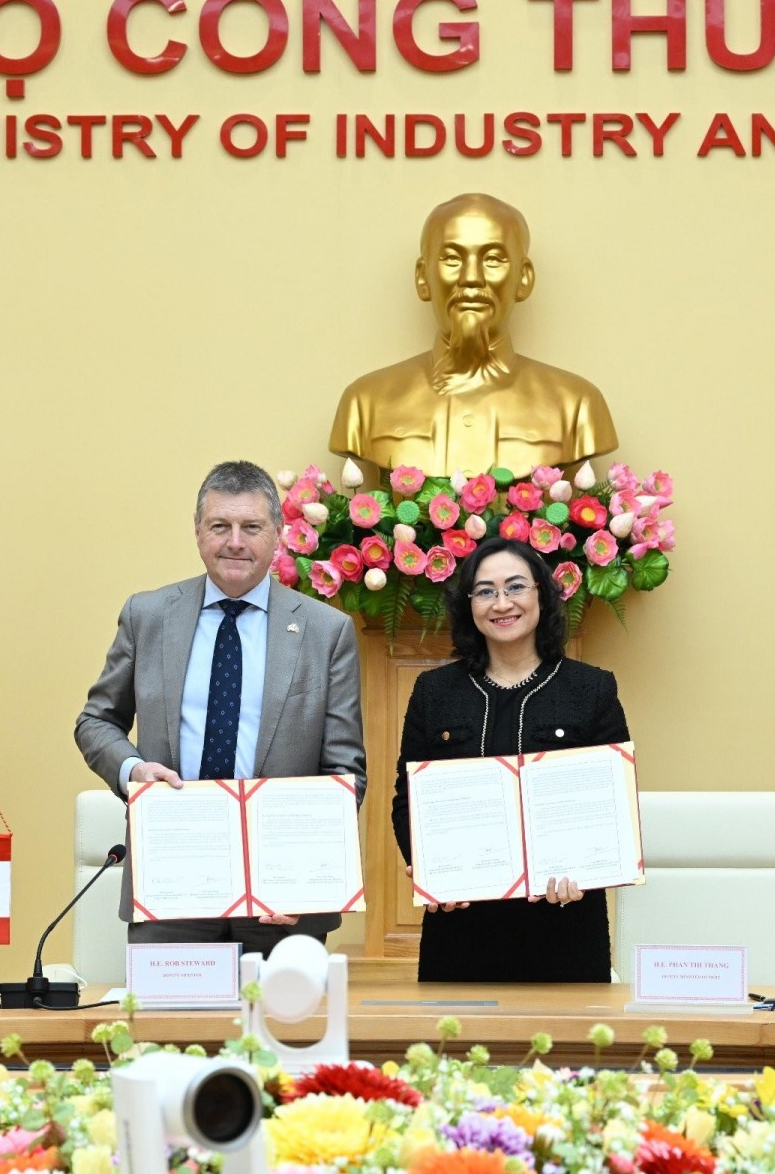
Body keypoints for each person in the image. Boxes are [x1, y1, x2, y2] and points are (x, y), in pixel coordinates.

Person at [75, 460, 366, 949]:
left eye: (251, 527)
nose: (235, 541)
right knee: (168, 1028)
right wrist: (132, 771)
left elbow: (345, 770)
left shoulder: (324, 631)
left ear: (277, 535)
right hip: (171, 879)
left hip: (282, 897)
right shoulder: (147, 615)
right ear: (197, 533)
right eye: (220, 526)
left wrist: (306, 875)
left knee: (283, 1027)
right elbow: (96, 721)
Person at [391, 537, 629, 982]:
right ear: (469, 605)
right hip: (459, 926)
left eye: (515, 587)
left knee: (566, 1051)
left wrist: (590, 865)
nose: (501, 603)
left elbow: (612, 801)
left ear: (542, 592)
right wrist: (425, 863)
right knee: (456, 1048)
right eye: (484, 591)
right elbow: (407, 799)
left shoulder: (591, 689)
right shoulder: (434, 692)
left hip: (566, 924)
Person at [330, 193, 619, 479]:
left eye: (493, 259)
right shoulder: (365, 402)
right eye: (452, 258)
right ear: (422, 278)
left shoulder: (577, 405)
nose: (471, 277)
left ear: (524, 278)